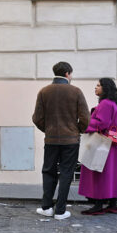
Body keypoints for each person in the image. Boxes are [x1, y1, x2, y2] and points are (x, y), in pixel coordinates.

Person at [32, 61, 90, 220]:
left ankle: (46, 207)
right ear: (67, 74)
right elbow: (86, 118)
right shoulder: (76, 91)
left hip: (51, 139)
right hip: (70, 140)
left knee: (48, 171)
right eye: (71, 74)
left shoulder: (44, 92)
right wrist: (77, 130)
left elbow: (37, 118)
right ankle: (60, 210)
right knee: (66, 173)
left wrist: (49, 129)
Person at [78, 78, 117, 215]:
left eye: (98, 85)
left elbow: (101, 123)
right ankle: (112, 205)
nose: (95, 88)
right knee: (112, 175)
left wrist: (83, 124)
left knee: (98, 172)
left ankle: (98, 206)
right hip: (114, 144)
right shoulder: (112, 103)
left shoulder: (105, 104)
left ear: (106, 88)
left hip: (103, 144)